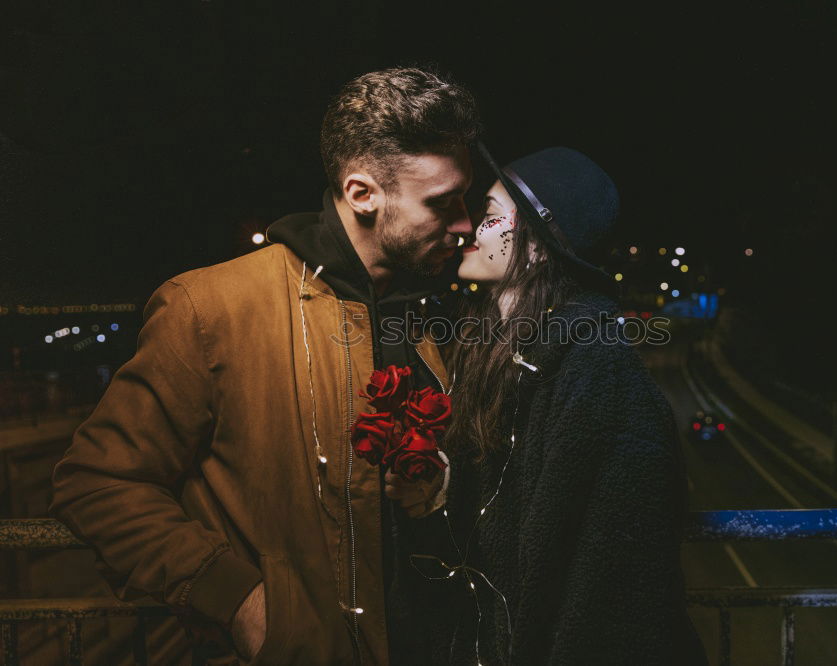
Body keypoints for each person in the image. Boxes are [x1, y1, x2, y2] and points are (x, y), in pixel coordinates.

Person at [49, 66, 480, 665]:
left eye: (465, 197)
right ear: (362, 195)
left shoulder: (433, 313)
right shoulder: (209, 307)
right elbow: (97, 482)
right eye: (443, 202)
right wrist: (238, 598)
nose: (464, 223)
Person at [438, 146, 709, 664]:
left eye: (492, 217)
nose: (472, 228)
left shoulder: (597, 370)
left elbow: (616, 590)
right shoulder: (490, 348)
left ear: (537, 247)